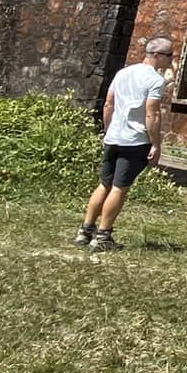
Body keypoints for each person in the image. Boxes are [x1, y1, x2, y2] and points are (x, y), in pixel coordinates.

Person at [76, 36, 174, 251]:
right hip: (135, 141)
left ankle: (85, 230)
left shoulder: (123, 73)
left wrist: (108, 130)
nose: (172, 59)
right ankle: (103, 236)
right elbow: (152, 114)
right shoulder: (155, 80)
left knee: (104, 184)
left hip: (114, 137)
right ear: (157, 55)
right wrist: (155, 144)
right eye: (170, 55)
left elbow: (108, 104)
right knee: (119, 188)